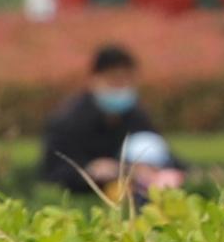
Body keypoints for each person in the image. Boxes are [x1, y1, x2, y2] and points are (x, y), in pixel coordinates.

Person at [39, 43, 172, 197]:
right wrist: (89, 171)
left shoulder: (137, 116)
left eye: (127, 81)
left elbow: (164, 154)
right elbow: (53, 174)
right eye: (114, 81)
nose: (121, 88)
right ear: (94, 80)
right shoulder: (67, 121)